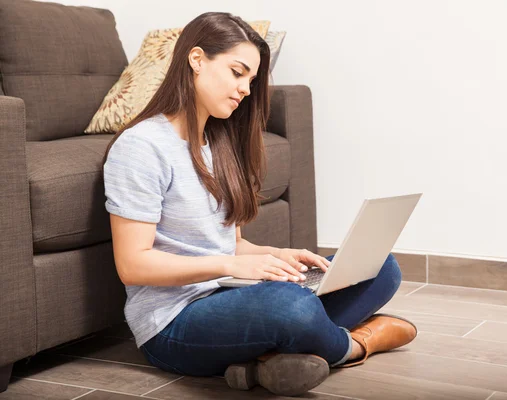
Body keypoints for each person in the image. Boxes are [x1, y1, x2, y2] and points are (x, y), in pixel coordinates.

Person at [102, 11, 417, 397]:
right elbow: (133, 265)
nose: (245, 90)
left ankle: (261, 362)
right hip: (174, 322)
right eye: (237, 72)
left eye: (251, 80)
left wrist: (281, 256)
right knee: (291, 308)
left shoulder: (218, 143)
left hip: (232, 293)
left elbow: (230, 244)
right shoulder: (141, 147)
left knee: (382, 268)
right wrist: (232, 265)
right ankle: (353, 345)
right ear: (196, 59)